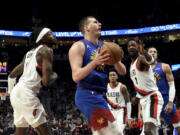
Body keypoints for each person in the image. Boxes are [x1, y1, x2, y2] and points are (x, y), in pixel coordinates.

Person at [68, 16, 126, 135]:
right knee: (115, 132)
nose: (99, 24)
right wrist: (95, 62)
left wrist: (117, 59)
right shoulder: (78, 46)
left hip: (100, 95)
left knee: (100, 133)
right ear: (86, 28)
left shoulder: (105, 46)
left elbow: (123, 72)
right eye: (95, 22)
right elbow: (76, 76)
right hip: (87, 94)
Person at [8, 27, 58, 135]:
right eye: (50, 33)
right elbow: (46, 82)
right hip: (26, 93)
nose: (54, 35)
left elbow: (12, 75)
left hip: (17, 92)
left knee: (19, 133)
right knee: (45, 133)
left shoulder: (29, 54)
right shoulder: (47, 50)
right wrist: (54, 76)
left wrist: (11, 93)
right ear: (43, 38)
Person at [127, 39, 164, 135]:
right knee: (150, 132)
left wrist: (144, 53)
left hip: (152, 97)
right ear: (127, 49)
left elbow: (151, 62)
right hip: (143, 100)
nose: (131, 47)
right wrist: (136, 96)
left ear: (138, 48)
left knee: (148, 129)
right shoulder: (131, 66)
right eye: (129, 46)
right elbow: (139, 83)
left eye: (133, 45)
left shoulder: (141, 58)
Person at [147, 46, 180, 134]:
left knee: (178, 125)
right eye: (150, 52)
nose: (153, 53)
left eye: (155, 52)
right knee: (150, 130)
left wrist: (170, 102)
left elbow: (172, 85)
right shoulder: (143, 70)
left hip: (165, 99)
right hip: (151, 102)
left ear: (157, 55)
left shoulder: (164, 66)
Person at [106, 69, 132, 135]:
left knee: (119, 131)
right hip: (110, 111)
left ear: (117, 76)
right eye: (110, 75)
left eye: (114, 75)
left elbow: (128, 102)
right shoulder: (105, 87)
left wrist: (129, 117)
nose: (112, 77)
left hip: (121, 111)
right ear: (108, 77)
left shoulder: (122, 87)